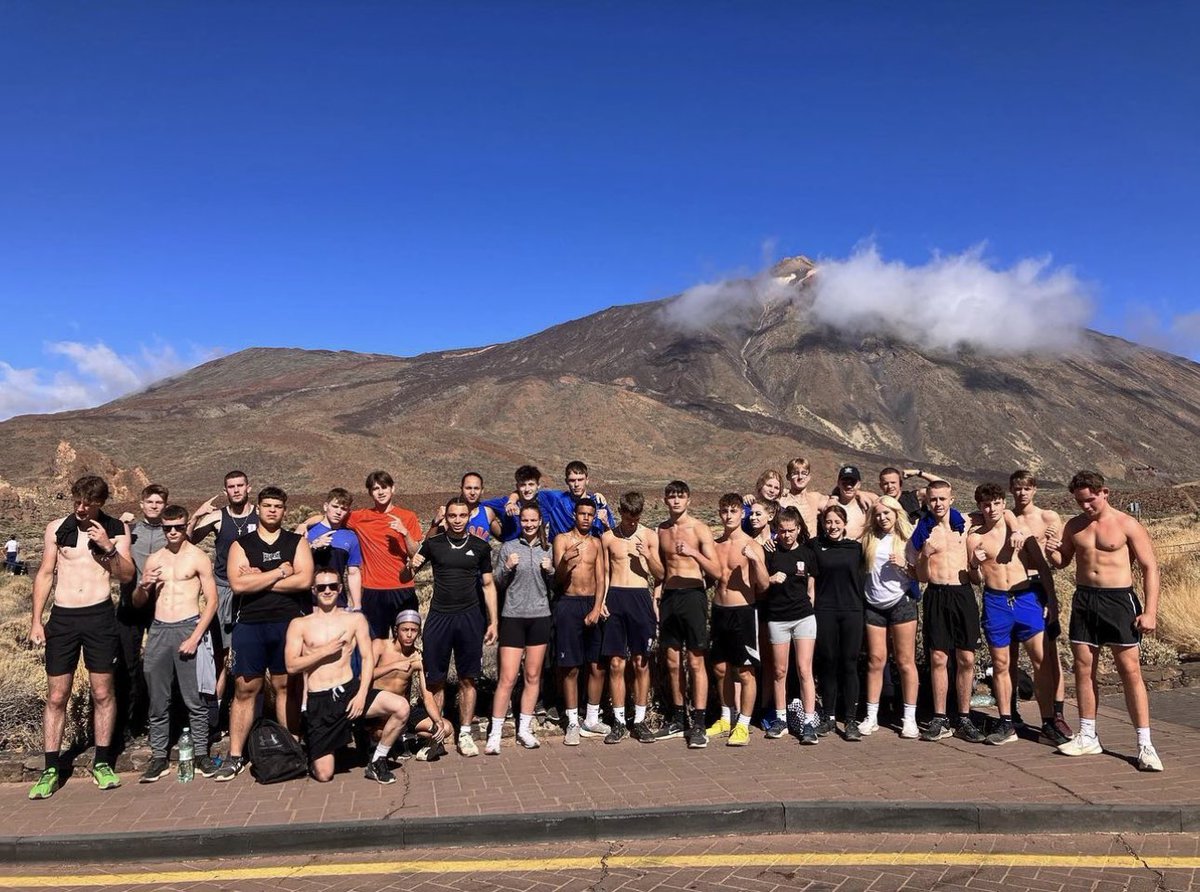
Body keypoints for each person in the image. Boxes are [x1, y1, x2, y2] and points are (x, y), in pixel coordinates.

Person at [1046, 470, 1163, 771]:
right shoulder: (1074, 525)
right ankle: (1088, 735)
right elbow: (1062, 562)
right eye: (1080, 501)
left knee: (1130, 671)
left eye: (1090, 499)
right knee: (1084, 669)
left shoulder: (1127, 524)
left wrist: (1150, 611)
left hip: (1118, 600)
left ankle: (1145, 744)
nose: (1086, 506)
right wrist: (1052, 553)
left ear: (1105, 492)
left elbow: (1150, 568)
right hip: (1085, 600)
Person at [28, 475, 133, 800]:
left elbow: (126, 575)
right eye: (77, 502)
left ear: (101, 504)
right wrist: (36, 620)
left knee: (103, 692)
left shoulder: (115, 528)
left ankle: (102, 762)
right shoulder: (57, 528)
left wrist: (108, 546)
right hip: (63, 617)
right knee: (57, 695)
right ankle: (50, 768)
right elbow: (46, 573)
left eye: (88, 505)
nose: (81, 509)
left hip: (99, 616)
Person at [216, 486, 315, 781]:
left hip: (287, 623)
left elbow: (305, 580)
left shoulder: (296, 542)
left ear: (285, 510)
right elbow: (239, 585)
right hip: (250, 624)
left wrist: (259, 577)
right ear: (258, 508)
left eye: (278, 506)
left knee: (287, 687)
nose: (272, 510)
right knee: (246, 688)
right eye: (267, 505)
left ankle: (292, 748)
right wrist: (280, 572)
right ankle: (235, 755)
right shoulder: (241, 544)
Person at [285, 569, 410, 784]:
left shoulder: (355, 620)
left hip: (350, 690)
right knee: (324, 775)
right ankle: (317, 752)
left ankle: (377, 760)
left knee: (401, 707)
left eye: (332, 586)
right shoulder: (300, 624)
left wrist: (362, 694)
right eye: (322, 587)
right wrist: (325, 651)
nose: (327, 591)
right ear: (313, 590)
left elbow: (367, 658)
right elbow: (291, 665)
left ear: (340, 589)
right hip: (321, 699)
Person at [132, 505, 220, 781]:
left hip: (187, 626)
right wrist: (144, 585)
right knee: (158, 699)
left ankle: (201, 755)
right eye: (167, 528)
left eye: (178, 527)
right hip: (158, 629)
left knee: (195, 699)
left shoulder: (198, 557)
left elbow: (212, 601)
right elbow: (138, 602)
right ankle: (159, 756)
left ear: (185, 527)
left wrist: (195, 637)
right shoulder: (153, 559)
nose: (173, 532)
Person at [967, 483, 1057, 747]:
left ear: (1003, 504)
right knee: (1002, 665)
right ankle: (1007, 722)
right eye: (986, 504)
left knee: (1041, 661)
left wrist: (1051, 600)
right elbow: (976, 579)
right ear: (979, 507)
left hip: (1025, 597)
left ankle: (1049, 722)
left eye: (996, 503)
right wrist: (974, 563)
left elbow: (1042, 566)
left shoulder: (1018, 530)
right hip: (995, 602)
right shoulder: (975, 538)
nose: (991, 509)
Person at [409, 496, 499, 758]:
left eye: (462, 516)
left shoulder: (481, 547)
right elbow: (407, 574)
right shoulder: (434, 544)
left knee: (467, 678)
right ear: (445, 517)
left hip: (470, 618)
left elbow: (488, 585)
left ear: (469, 517)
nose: (457, 520)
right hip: (438, 618)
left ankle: (466, 733)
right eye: (452, 516)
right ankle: (438, 733)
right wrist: (409, 565)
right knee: (435, 680)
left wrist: (493, 621)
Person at [912, 481, 985, 743]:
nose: (938, 504)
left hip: (962, 593)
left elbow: (977, 578)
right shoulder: (922, 531)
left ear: (952, 499)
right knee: (938, 658)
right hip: (935, 594)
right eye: (933, 500)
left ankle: (964, 717)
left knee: (966, 658)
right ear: (927, 502)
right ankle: (940, 717)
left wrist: (976, 564)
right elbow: (920, 575)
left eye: (943, 499)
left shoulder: (965, 524)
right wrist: (924, 555)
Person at [188, 470, 258, 729]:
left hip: (252, 590)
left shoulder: (260, 515)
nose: (236, 490)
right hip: (222, 589)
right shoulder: (218, 517)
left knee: (252, 653)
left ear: (248, 487)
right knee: (219, 654)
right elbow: (187, 539)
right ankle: (214, 717)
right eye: (231, 486)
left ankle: (254, 716)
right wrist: (196, 515)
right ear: (226, 490)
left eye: (240, 485)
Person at [655, 481, 721, 747]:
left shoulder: (700, 528)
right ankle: (678, 717)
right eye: (671, 497)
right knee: (672, 661)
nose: (676, 501)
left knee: (695, 662)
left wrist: (693, 552)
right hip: (669, 597)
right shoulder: (661, 530)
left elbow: (716, 571)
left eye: (680, 497)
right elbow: (660, 569)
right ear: (665, 501)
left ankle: (699, 722)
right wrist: (655, 594)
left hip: (693, 595)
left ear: (689, 500)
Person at [1009, 470, 1072, 745]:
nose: (1021, 493)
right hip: (1014, 588)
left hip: (1040, 586)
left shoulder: (1048, 517)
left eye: (1026, 488)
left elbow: (1059, 561)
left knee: (1049, 655)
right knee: (1008, 655)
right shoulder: (1008, 517)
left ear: (1034, 489)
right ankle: (1011, 711)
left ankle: (1056, 713)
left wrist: (1052, 547)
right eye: (1017, 488)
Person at [488, 503, 554, 753]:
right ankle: (495, 733)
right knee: (507, 678)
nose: (528, 525)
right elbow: (498, 582)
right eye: (525, 521)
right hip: (513, 617)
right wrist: (507, 568)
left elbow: (553, 584)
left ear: (540, 522)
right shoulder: (509, 548)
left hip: (539, 616)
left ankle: (524, 729)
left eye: (533, 521)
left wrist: (550, 570)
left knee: (533, 676)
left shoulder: (547, 550)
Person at [599, 492, 664, 744]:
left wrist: (646, 556)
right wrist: (601, 601)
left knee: (641, 662)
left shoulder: (649, 536)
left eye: (636, 519)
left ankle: (639, 721)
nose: (631, 523)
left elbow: (660, 574)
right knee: (616, 663)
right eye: (628, 519)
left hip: (639, 598)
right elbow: (604, 573)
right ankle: (618, 721)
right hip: (615, 597)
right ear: (621, 513)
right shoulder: (607, 537)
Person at [707, 494, 769, 747]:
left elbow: (764, 586)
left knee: (744, 670)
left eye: (733, 511)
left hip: (743, 612)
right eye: (724, 511)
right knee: (720, 668)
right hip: (719, 610)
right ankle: (726, 717)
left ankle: (743, 724)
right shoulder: (716, 544)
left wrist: (755, 561)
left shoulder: (752, 545)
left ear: (741, 514)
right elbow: (711, 579)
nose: (729, 515)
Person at [861, 495, 920, 740]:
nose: (882, 518)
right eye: (878, 514)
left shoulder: (907, 540)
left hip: (901, 604)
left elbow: (921, 574)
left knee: (905, 661)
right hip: (873, 605)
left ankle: (909, 718)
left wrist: (905, 566)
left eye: (887, 513)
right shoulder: (868, 539)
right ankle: (871, 716)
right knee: (875, 660)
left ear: (897, 514)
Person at [807, 504, 867, 741]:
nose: (832, 526)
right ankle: (829, 717)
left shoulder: (856, 548)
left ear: (845, 523)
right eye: (828, 522)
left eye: (836, 522)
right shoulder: (814, 546)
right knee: (828, 663)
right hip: (825, 611)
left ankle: (851, 719)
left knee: (849, 663)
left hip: (852, 610)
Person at [552, 498, 610, 745]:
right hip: (568, 604)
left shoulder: (597, 543)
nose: (586, 518)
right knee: (570, 667)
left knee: (597, 665)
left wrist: (597, 607)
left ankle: (592, 719)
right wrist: (566, 560)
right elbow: (558, 579)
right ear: (574, 515)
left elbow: (601, 576)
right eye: (582, 513)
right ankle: (573, 722)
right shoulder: (562, 540)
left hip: (591, 604)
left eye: (590, 514)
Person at [115, 483, 170, 739]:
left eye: (159, 503)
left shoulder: (171, 533)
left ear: (165, 505)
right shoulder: (130, 531)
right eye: (150, 502)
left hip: (159, 606)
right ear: (141, 504)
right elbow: (105, 546)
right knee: (127, 663)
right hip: (130, 605)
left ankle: (158, 720)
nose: (154, 506)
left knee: (158, 663)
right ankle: (126, 725)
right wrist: (118, 524)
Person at [762, 506, 818, 743]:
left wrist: (809, 606)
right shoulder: (770, 554)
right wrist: (771, 579)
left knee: (805, 669)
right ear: (777, 531)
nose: (786, 535)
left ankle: (808, 722)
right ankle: (781, 718)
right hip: (777, 618)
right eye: (782, 531)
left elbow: (811, 587)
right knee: (779, 671)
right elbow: (759, 582)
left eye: (791, 530)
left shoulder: (807, 553)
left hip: (803, 617)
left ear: (798, 529)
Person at [346, 471, 423, 639]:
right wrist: (304, 525)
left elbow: (415, 554)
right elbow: (332, 516)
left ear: (393, 489)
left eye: (384, 487)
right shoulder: (361, 517)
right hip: (374, 591)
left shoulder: (408, 517)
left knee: (405, 642)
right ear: (370, 493)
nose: (380, 492)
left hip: (402, 588)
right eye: (375, 488)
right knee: (375, 643)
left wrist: (404, 532)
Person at [371, 611, 453, 761]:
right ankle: (393, 741)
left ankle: (410, 739)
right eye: (405, 630)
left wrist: (438, 721)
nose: (409, 635)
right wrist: (395, 666)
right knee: (379, 734)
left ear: (419, 633)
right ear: (396, 630)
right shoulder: (381, 646)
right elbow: (364, 676)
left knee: (446, 728)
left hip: (404, 712)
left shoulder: (418, 657)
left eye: (413, 630)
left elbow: (427, 695)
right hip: (378, 711)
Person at [504, 460, 614, 538]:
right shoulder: (555, 499)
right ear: (566, 481)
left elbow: (611, 533)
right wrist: (511, 502)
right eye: (572, 480)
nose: (576, 484)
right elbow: (527, 491)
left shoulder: (598, 503)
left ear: (587, 480)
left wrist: (606, 524)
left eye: (580, 479)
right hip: (561, 557)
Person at [303, 488, 364, 611]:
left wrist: (357, 605)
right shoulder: (308, 532)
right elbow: (296, 562)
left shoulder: (351, 537)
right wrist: (313, 546)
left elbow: (353, 572)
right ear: (326, 506)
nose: (338, 512)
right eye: (335, 506)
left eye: (343, 509)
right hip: (309, 600)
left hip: (338, 601)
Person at [428, 472, 502, 541]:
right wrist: (435, 523)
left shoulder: (487, 512)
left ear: (482, 490)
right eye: (468, 488)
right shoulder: (451, 513)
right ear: (461, 489)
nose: (472, 493)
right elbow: (428, 544)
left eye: (476, 488)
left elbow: (504, 537)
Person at [778, 457, 827, 538]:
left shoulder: (816, 498)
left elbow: (839, 504)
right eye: (795, 473)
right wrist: (749, 498)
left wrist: (835, 495)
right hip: (788, 547)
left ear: (809, 477)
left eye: (804, 473)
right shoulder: (782, 500)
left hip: (811, 547)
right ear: (788, 477)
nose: (800, 477)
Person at [828, 465, 878, 540]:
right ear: (838, 483)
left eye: (852, 483)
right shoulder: (829, 503)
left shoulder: (865, 504)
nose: (849, 486)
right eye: (845, 483)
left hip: (857, 549)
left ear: (859, 484)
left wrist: (859, 493)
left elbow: (881, 500)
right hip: (834, 548)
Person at [878, 467, 945, 523]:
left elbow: (944, 487)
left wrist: (918, 473)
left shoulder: (914, 498)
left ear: (900, 483)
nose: (890, 486)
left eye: (893, 483)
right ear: (881, 486)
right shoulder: (880, 505)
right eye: (885, 484)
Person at [741, 469, 784, 535]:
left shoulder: (782, 512)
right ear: (760, 485)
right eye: (769, 485)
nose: (772, 490)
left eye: (776, 488)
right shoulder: (746, 508)